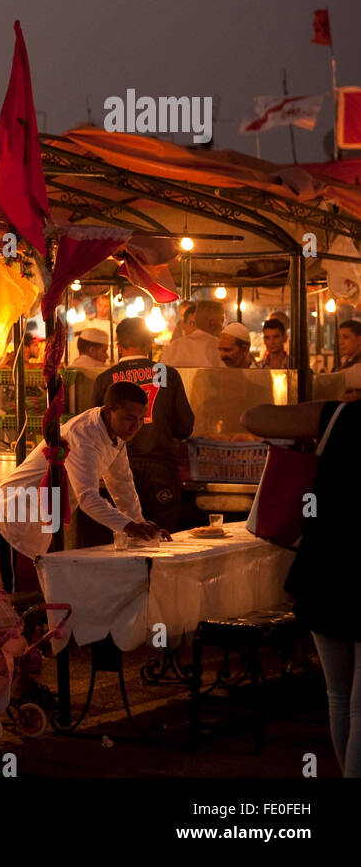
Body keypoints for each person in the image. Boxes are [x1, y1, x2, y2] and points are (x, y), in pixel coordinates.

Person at [242, 396, 361, 777]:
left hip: (324, 569)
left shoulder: (341, 415)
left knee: (339, 698)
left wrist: (323, 416)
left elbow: (253, 416)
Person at [0, 381, 170, 556]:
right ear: (108, 411)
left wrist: (141, 525)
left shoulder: (117, 434)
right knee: (20, 587)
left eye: (140, 420)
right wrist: (130, 526)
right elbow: (87, 497)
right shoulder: (84, 435)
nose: (135, 426)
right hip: (16, 510)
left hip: (42, 518)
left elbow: (122, 485)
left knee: (42, 582)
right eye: (129, 418)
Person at [92, 317, 194, 531]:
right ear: (149, 344)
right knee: (163, 535)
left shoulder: (105, 378)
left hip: (115, 471)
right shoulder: (167, 374)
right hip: (160, 469)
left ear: (118, 346)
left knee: (125, 534)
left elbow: (95, 430)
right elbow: (185, 427)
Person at [159, 299, 223, 367]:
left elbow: (162, 375)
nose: (222, 326)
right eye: (192, 324)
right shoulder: (220, 348)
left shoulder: (173, 348)